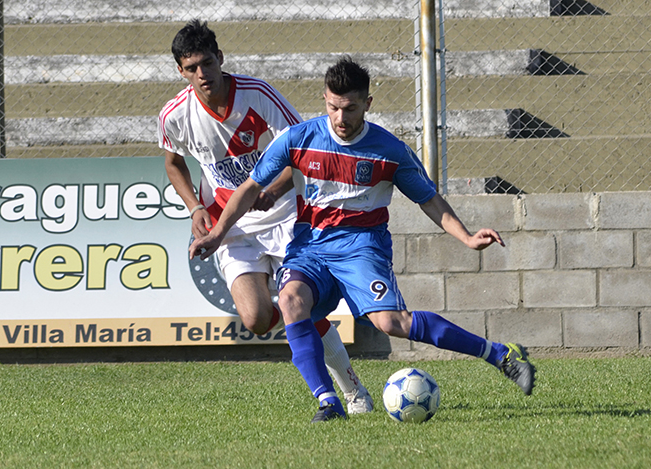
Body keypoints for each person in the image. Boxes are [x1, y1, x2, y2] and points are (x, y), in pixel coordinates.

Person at [189, 55, 536, 423]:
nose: (340, 118)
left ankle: (500, 354)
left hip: (362, 247)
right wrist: (217, 232)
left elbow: (429, 199)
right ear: (325, 100)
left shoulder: (389, 151)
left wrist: (466, 237)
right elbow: (248, 188)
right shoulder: (299, 138)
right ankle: (328, 402)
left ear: (367, 104)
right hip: (311, 247)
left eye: (350, 108)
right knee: (291, 301)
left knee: (393, 324)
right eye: (333, 107)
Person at [158, 21, 373, 414]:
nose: (202, 74)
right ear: (181, 71)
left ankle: (349, 391)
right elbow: (173, 164)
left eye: (207, 63)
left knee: (301, 305)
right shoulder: (175, 115)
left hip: (285, 217)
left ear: (220, 58)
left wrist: (272, 190)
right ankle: (308, 328)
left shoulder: (257, 96)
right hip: (233, 226)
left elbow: (305, 153)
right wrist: (195, 206)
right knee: (256, 319)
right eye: (192, 68)